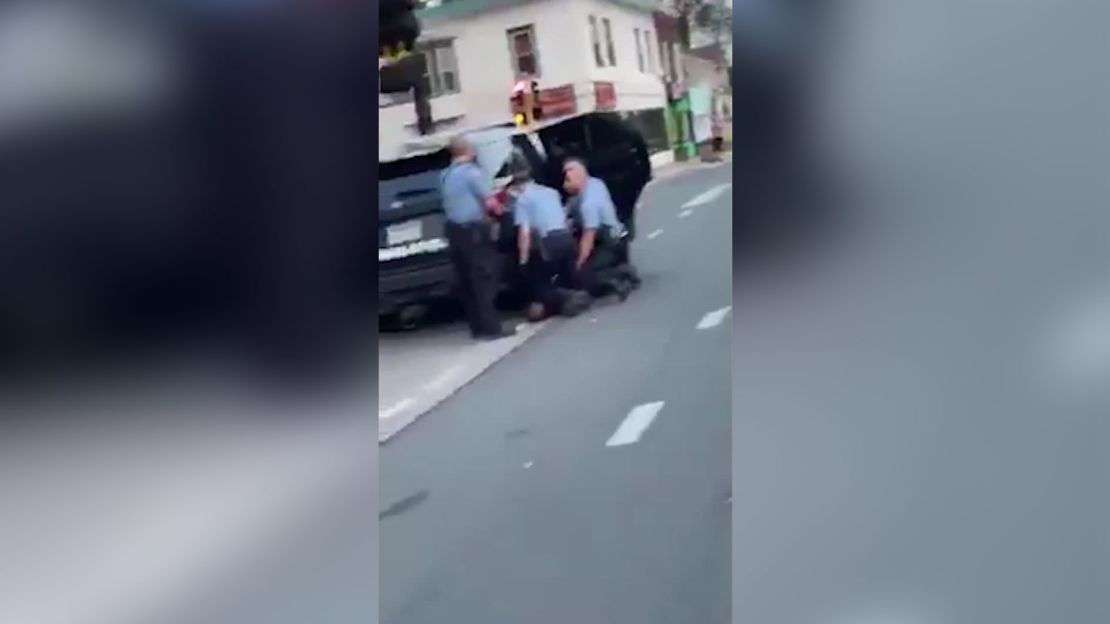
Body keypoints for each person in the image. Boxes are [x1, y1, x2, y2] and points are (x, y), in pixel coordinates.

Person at [440, 136, 515, 340]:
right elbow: (490, 203)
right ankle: (492, 328)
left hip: (454, 231)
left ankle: (477, 327)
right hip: (474, 232)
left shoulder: (444, 175)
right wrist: (505, 213)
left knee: (466, 281)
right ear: (469, 151)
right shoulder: (472, 173)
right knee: (484, 278)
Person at [509, 158, 590, 320]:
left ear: (516, 184)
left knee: (539, 285)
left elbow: (525, 232)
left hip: (548, 242)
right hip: (566, 238)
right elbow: (564, 219)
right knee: (568, 274)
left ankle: (568, 297)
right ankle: (578, 294)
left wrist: (523, 261)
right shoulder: (550, 192)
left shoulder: (522, 200)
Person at [562, 158, 640, 300]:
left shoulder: (588, 204)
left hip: (612, 242)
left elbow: (588, 237)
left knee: (583, 276)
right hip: (618, 236)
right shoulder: (595, 184)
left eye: (567, 179)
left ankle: (621, 275)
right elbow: (568, 210)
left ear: (580, 176)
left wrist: (580, 263)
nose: (564, 183)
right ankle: (618, 270)